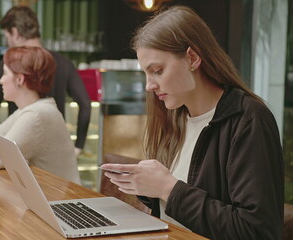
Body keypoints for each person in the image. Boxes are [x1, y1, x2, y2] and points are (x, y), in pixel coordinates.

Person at [101, 6, 284, 239]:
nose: (149, 85)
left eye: (157, 70)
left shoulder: (248, 119)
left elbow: (255, 231)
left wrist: (168, 188)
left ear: (192, 58)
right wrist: (147, 187)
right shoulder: (176, 116)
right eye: (146, 74)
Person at [0, 6, 91, 155]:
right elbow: (85, 105)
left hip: (22, 148)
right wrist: (78, 146)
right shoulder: (64, 62)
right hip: (57, 149)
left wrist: (5, 148)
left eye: (7, 37)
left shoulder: (6, 65)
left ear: (14, 32)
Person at [0, 46, 80, 184]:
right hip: (53, 197)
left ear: (20, 79)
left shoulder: (36, 115)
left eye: (5, 73)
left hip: (61, 201)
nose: (1, 80)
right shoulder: (30, 109)